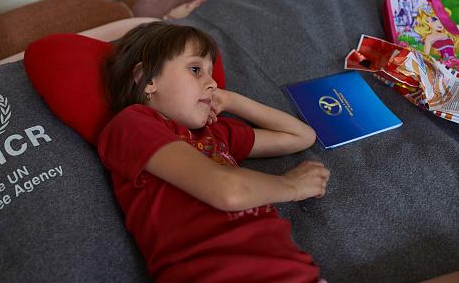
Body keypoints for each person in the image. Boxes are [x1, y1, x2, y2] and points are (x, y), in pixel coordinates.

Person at [98, 21, 330, 282]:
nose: (211, 83)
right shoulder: (133, 124)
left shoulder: (215, 134)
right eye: (195, 69)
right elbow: (228, 191)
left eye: (211, 74)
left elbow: (301, 136)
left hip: (293, 270)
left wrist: (232, 100)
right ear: (147, 79)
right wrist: (291, 186)